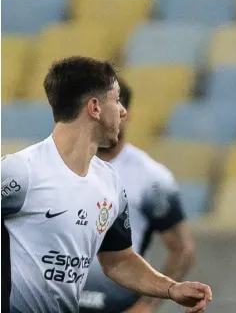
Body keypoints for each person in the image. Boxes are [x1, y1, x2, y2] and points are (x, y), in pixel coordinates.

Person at [1, 57, 213, 313]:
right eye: (116, 100)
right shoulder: (20, 172)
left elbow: (118, 260)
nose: (123, 111)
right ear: (95, 108)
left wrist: (171, 288)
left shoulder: (109, 183)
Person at [80, 79, 196, 313]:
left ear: (126, 114)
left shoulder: (151, 178)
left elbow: (182, 248)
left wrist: (147, 305)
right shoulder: (63, 165)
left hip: (118, 304)